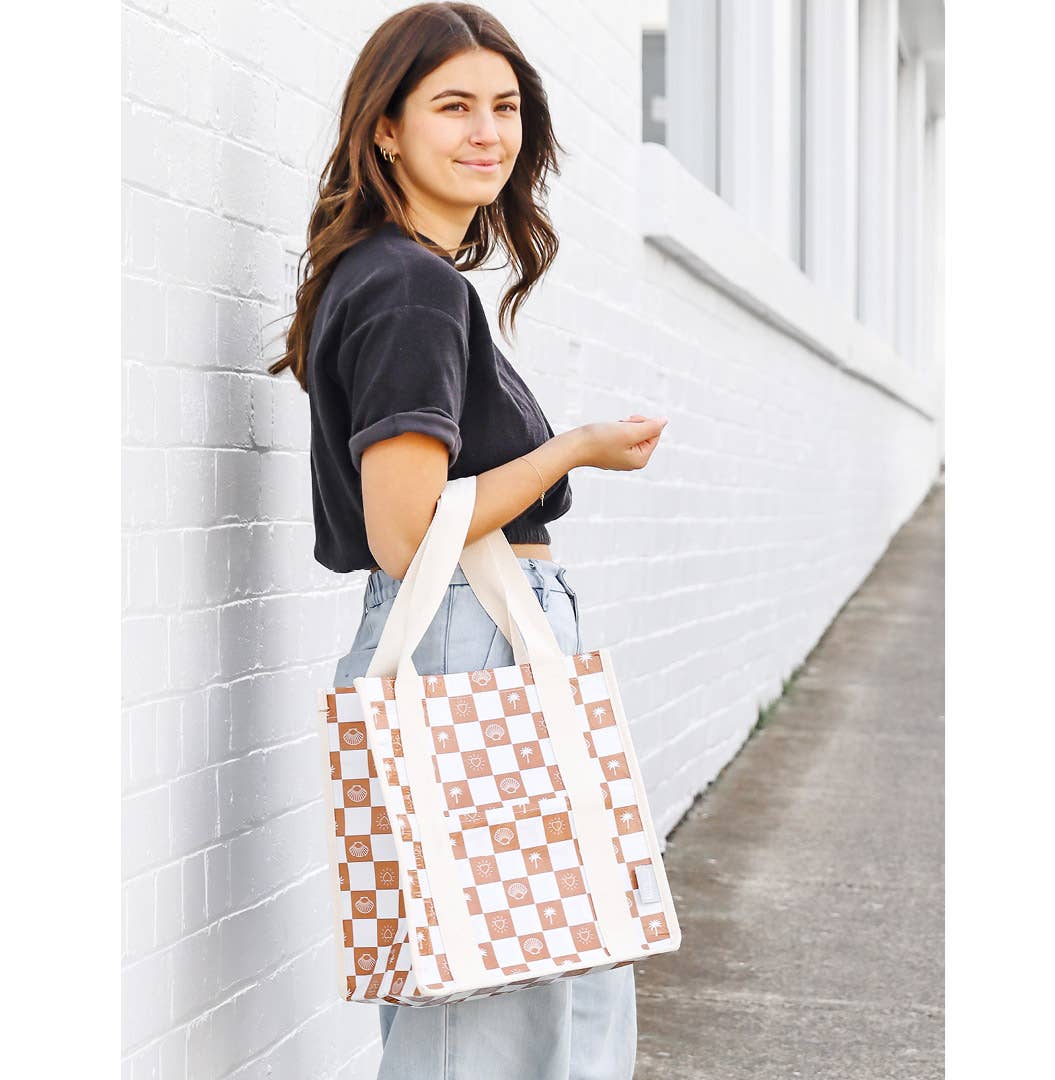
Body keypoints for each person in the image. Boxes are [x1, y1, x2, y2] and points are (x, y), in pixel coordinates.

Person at [269, 4, 668, 1077]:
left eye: (506, 107)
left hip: (475, 642)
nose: (488, 130)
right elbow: (409, 531)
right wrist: (571, 448)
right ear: (385, 129)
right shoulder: (409, 286)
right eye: (454, 105)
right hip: (469, 642)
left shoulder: (397, 276)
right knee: (491, 1014)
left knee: (530, 983)